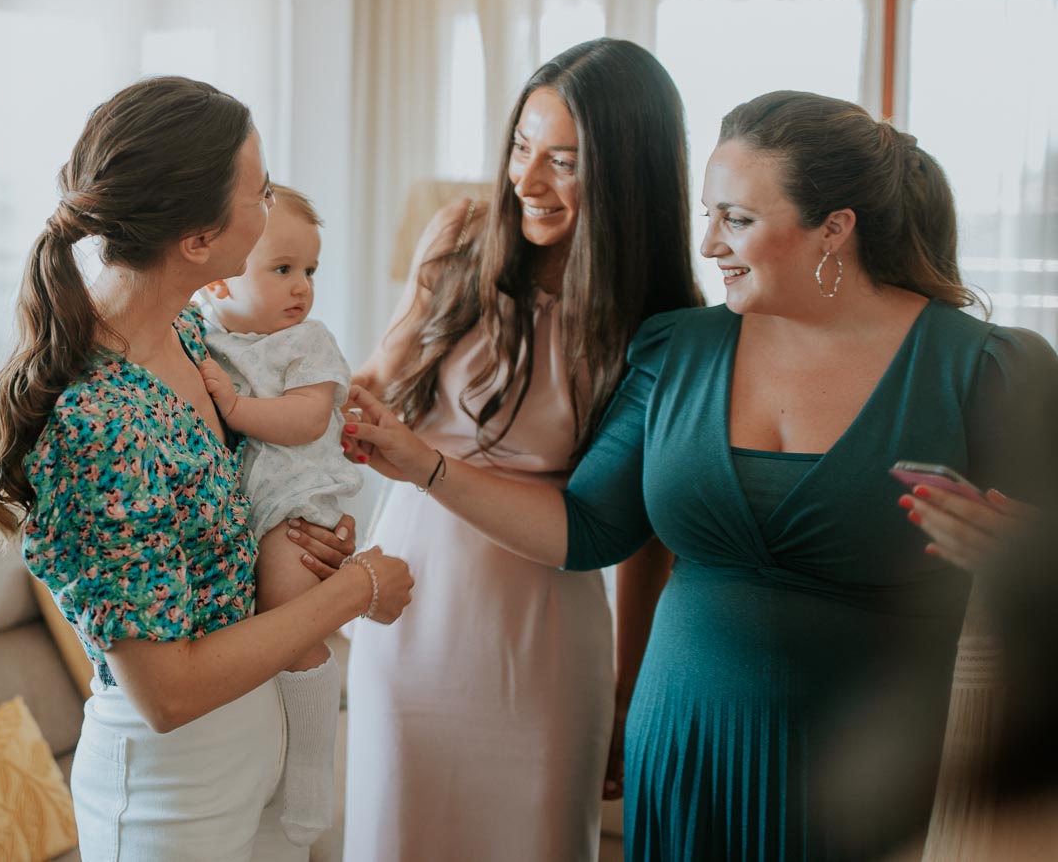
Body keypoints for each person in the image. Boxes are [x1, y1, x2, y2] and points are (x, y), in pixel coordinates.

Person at [345, 89, 1058, 861]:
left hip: (873, 776)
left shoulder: (987, 368)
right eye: (707, 216)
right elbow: (585, 530)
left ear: (834, 229)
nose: (709, 244)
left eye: (737, 220)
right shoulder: (676, 348)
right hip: (682, 753)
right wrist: (425, 465)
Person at [0, 76, 413, 861]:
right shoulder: (97, 416)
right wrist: (354, 588)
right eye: (261, 191)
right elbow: (166, 692)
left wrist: (299, 538)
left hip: (251, 741)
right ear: (199, 241)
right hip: (173, 789)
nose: (272, 208)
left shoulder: (191, 339)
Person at [341, 38, 694, 861]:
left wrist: (626, 684)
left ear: (627, 171)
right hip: (408, 612)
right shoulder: (459, 238)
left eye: (562, 160)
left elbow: (640, 532)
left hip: (541, 634)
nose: (525, 181)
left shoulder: (661, 322)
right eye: (519, 147)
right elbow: (374, 382)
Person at [195, 182, 360, 845]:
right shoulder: (199, 339)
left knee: (292, 618)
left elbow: (307, 416)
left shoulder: (307, 342)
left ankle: (313, 764)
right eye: (282, 268)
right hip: (245, 508)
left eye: (309, 270)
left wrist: (234, 408)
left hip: (296, 504)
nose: (302, 287)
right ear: (215, 283)